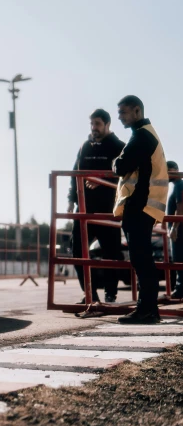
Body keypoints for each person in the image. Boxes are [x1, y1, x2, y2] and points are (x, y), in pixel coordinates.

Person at [112, 95, 168, 324]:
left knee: (141, 259)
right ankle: (149, 309)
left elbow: (121, 166)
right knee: (143, 258)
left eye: (123, 112)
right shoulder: (147, 134)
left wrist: (115, 162)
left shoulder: (141, 136)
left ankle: (146, 310)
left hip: (140, 205)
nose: (120, 117)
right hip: (144, 206)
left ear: (137, 111)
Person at [67, 109, 125, 309]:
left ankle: (110, 294)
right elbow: (75, 172)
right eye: (92, 124)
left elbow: (127, 176)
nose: (94, 128)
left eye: (98, 124)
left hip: (109, 210)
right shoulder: (85, 147)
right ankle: (89, 293)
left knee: (112, 253)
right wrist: (70, 199)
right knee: (77, 250)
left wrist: (104, 179)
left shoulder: (119, 147)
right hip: (84, 209)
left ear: (107, 125)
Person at [165, 161, 183, 298]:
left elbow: (180, 206)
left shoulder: (179, 184)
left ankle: (180, 289)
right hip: (177, 227)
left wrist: (175, 228)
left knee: (179, 259)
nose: (167, 174)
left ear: (176, 170)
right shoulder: (176, 186)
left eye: (169, 170)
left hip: (179, 229)